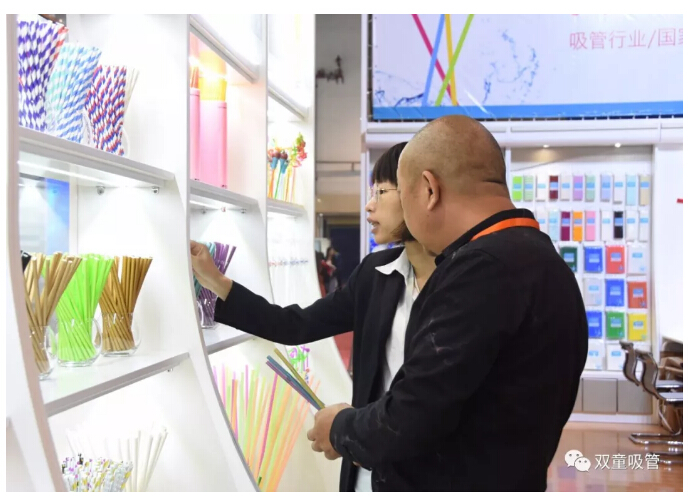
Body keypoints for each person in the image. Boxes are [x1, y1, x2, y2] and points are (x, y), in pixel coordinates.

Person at [307, 116, 588, 491]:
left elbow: (411, 415)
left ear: (429, 189)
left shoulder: (478, 271)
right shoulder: (546, 262)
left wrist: (340, 428)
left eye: (399, 196)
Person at [189, 142, 437, 491]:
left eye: (380, 192)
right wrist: (216, 281)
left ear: (422, 192)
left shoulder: (464, 286)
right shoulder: (375, 274)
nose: (369, 205)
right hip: (367, 475)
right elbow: (295, 325)